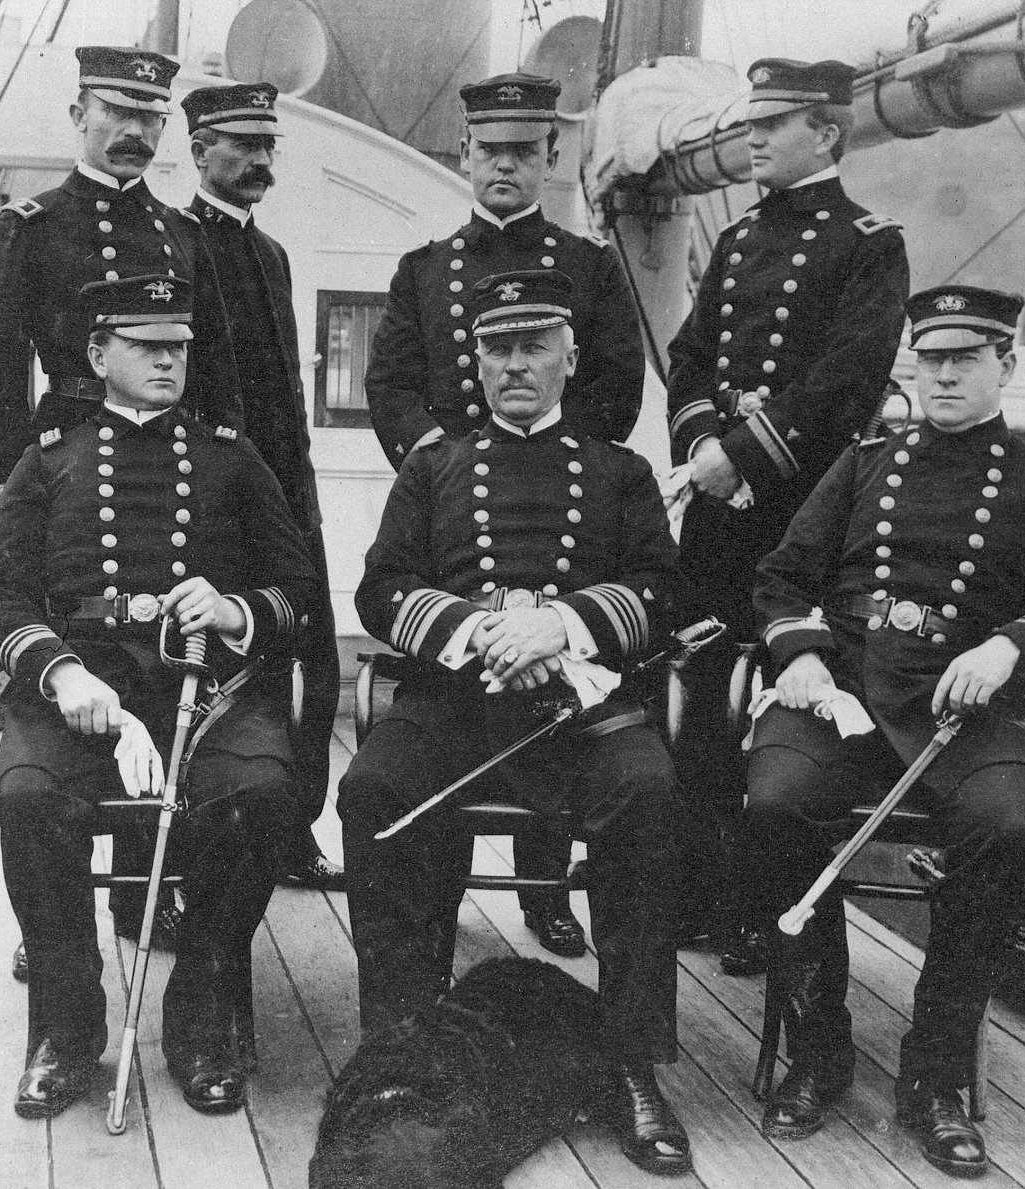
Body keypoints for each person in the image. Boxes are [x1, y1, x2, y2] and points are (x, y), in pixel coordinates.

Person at [736, 285, 1025, 1174]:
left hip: (969, 708)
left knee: (1003, 830)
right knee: (774, 806)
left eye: (966, 359)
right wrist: (795, 653)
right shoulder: (863, 463)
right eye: (932, 357)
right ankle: (820, 1047)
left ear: (1005, 366)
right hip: (842, 696)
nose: (944, 374)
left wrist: (1013, 643)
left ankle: (936, 1074)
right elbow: (780, 575)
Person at [340, 270, 693, 1176]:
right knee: (372, 789)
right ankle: (404, 1040)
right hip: (456, 701)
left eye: (534, 346)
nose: (515, 366)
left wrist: (563, 622)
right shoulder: (433, 467)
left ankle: (628, 1061)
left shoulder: (622, 472)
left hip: (577, 713)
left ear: (571, 358)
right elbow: (381, 589)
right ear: (477, 361)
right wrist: (476, 629)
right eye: (497, 349)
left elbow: (663, 589)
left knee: (650, 796)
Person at [0, 275, 317, 1119]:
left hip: (207, 688)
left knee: (263, 794)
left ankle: (199, 1014)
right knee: (29, 798)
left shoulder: (232, 458)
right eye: (146, 343)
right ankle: (68, 1025)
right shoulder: (50, 461)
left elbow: (299, 587)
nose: (167, 359)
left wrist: (235, 609)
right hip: (79, 688)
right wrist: (58, 670)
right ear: (98, 354)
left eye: (179, 346)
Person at [363, 72, 647, 955]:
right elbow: (391, 384)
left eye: (525, 152)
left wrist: (566, 469)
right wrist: (444, 462)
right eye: (491, 151)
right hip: (452, 503)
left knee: (576, 724)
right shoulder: (424, 271)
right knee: (404, 766)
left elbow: (614, 387)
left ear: (549, 158)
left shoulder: (591, 268)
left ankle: (547, 890)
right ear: (465, 155)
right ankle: (426, 921)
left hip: (563, 511)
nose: (505, 167)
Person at [663, 58, 910, 970]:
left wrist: (742, 455)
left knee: (783, 702)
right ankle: (700, 893)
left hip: (802, 513)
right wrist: (700, 449)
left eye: (773, 124)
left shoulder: (869, 244)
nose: (753, 139)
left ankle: (767, 913)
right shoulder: (734, 242)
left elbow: (847, 379)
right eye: (751, 123)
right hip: (721, 512)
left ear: (829, 134)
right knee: (699, 693)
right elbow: (689, 358)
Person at [0, 45, 244, 535]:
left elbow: (218, 366)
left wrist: (227, 465)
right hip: (69, 451)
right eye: (116, 112)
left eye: (149, 117)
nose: (134, 132)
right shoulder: (32, 225)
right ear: (79, 116)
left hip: (170, 452)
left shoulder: (182, 231)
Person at [182, 82, 344, 891]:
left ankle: (292, 828)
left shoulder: (271, 254)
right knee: (237, 675)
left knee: (318, 669)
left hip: (289, 504)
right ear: (199, 150)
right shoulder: (176, 245)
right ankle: (192, 855)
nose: (260, 160)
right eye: (242, 145)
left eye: (268, 146)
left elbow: (285, 393)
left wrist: (304, 503)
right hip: (220, 509)